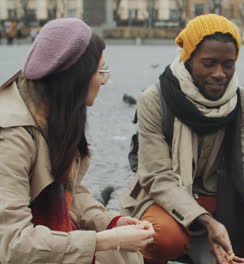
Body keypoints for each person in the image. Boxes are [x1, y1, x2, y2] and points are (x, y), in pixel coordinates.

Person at [121, 14, 244, 264]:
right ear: (189, 58)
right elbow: (156, 176)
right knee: (165, 237)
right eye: (209, 63)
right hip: (164, 196)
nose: (220, 74)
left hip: (221, 194)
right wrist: (205, 219)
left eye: (228, 64)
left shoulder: (242, 101)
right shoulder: (154, 99)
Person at [0, 18, 155, 264]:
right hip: (19, 249)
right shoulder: (11, 137)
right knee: (116, 250)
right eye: (101, 71)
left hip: (44, 233)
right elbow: (12, 245)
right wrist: (106, 239)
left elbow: (70, 190)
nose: (105, 81)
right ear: (77, 77)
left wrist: (110, 222)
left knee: (124, 253)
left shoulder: (49, 112)